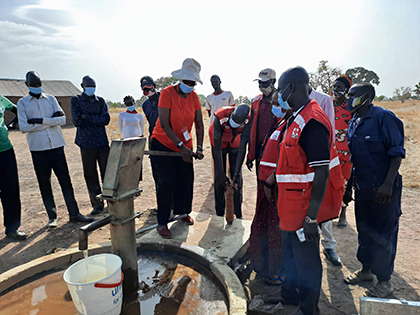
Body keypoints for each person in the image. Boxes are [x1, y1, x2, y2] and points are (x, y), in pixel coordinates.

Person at [264, 67, 343, 315]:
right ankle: (289, 297)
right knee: (290, 256)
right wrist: (273, 181)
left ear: (293, 87)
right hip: (289, 206)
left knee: (306, 262)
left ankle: (308, 309)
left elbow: (322, 173)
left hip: (303, 210)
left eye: (281, 88)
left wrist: (311, 217)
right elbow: (291, 160)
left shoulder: (312, 122)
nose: (278, 94)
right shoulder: (295, 116)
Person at [344, 83, 404, 299]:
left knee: (383, 235)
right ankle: (366, 271)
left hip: (383, 190)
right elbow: (355, 159)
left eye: (353, 95)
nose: (348, 98)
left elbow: (396, 153)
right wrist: (349, 187)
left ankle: (384, 283)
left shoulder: (384, 118)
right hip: (363, 189)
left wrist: (388, 184)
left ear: (367, 97)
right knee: (365, 230)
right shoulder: (354, 122)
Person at [18, 71, 93, 227]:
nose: (37, 87)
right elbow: (24, 127)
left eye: (39, 85)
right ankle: (52, 217)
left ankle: (74, 213)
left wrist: (38, 121)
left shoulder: (51, 99)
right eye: (34, 85)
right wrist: (50, 121)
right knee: (44, 183)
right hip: (38, 149)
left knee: (66, 181)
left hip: (57, 147)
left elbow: (62, 119)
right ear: (27, 85)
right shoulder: (23, 103)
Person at [150, 58, 204, 238]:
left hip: (184, 146)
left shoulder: (194, 97)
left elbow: (199, 123)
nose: (190, 85)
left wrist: (199, 147)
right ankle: (162, 222)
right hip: (163, 143)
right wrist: (180, 146)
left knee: (185, 179)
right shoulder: (167, 93)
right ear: (180, 80)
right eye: (187, 82)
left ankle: (182, 213)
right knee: (166, 182)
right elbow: (165, 124)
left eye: (192, 83)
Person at [247, 90, 292, 285]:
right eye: (273, 104)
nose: (274, 108)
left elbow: (286, 159)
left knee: (275, 230)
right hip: (265, 185)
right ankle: (262, 265)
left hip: (274, 188)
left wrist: (270, 182)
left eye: (278, 104)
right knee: (262, 225)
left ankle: (275, 272)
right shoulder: (280, 124)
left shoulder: (290, 126)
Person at [309, 88, 342, 266]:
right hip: (302, 160)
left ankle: (329, 246)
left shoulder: (323, 100)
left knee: (323, 201)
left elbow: (329, 132)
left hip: (321, 157)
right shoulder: (291, 99)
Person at [71, 75, 110, 215]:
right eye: (88, 86)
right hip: (86, 143)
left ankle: (110, 201)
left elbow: (106, 119)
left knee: (108, 172)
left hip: (102, 142)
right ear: (82, 86)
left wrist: (86, 117)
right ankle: (97, 204)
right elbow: (77, 120)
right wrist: (96, 119)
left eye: (93, 86)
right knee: (90, 174)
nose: (91, 89)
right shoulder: (76, 100)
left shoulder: (100, 101)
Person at [209, 104, 250, 219]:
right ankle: (219, 213)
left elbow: (243, 145)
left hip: (235, 144)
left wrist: (236, 172)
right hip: (219, 144)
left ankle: (238, 212)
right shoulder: (220, 116)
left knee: (237, 180)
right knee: (219, 179)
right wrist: (222, 175)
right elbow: (216, 150)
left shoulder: (248, 120)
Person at [0, 94, 27, 240]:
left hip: (5, 150)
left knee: (10, 190)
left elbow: (16, 110)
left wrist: (12, 124)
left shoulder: (1, 99)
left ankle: (12, 229)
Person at [246, 68, 278, 173]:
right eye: (260, 83)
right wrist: (250, 155)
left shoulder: (282, 101)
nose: (261, 86)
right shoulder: (255, 101)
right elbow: (252, 130)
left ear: (273, 82)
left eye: (265, 83)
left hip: (276, 148)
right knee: (260, 179)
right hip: (260, 148)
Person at [205, 75, 235, 183]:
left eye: (216, 81)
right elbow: (210, 113)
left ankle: (230, 177)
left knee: (229, 154)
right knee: (216, 155)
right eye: (212, 82)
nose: (214, 83)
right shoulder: (209, 97)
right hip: (214, 129)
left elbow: (232, 111)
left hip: (228, 129)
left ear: (220, 81)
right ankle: (216, 179)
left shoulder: (228, 94)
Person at [332, 75, 353, 227]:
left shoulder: (351, 106)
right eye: (334, 87)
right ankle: (327, 213)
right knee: (328, 181)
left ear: (346, 89)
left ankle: (343, 213)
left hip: (346, 152)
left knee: (345, 183)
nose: (336, 90)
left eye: (339, 87)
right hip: (330, 151)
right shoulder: (328, 104)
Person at [141, 76, 161, 215]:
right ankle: (161, 204)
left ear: (153, 86)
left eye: (148, 88)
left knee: (170, 172)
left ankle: (173, 204)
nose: (147, 91)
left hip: (167, 138)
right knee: (157, 174)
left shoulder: (164, 99)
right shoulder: (145, 105)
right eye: (144, 89)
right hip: (153, 139)